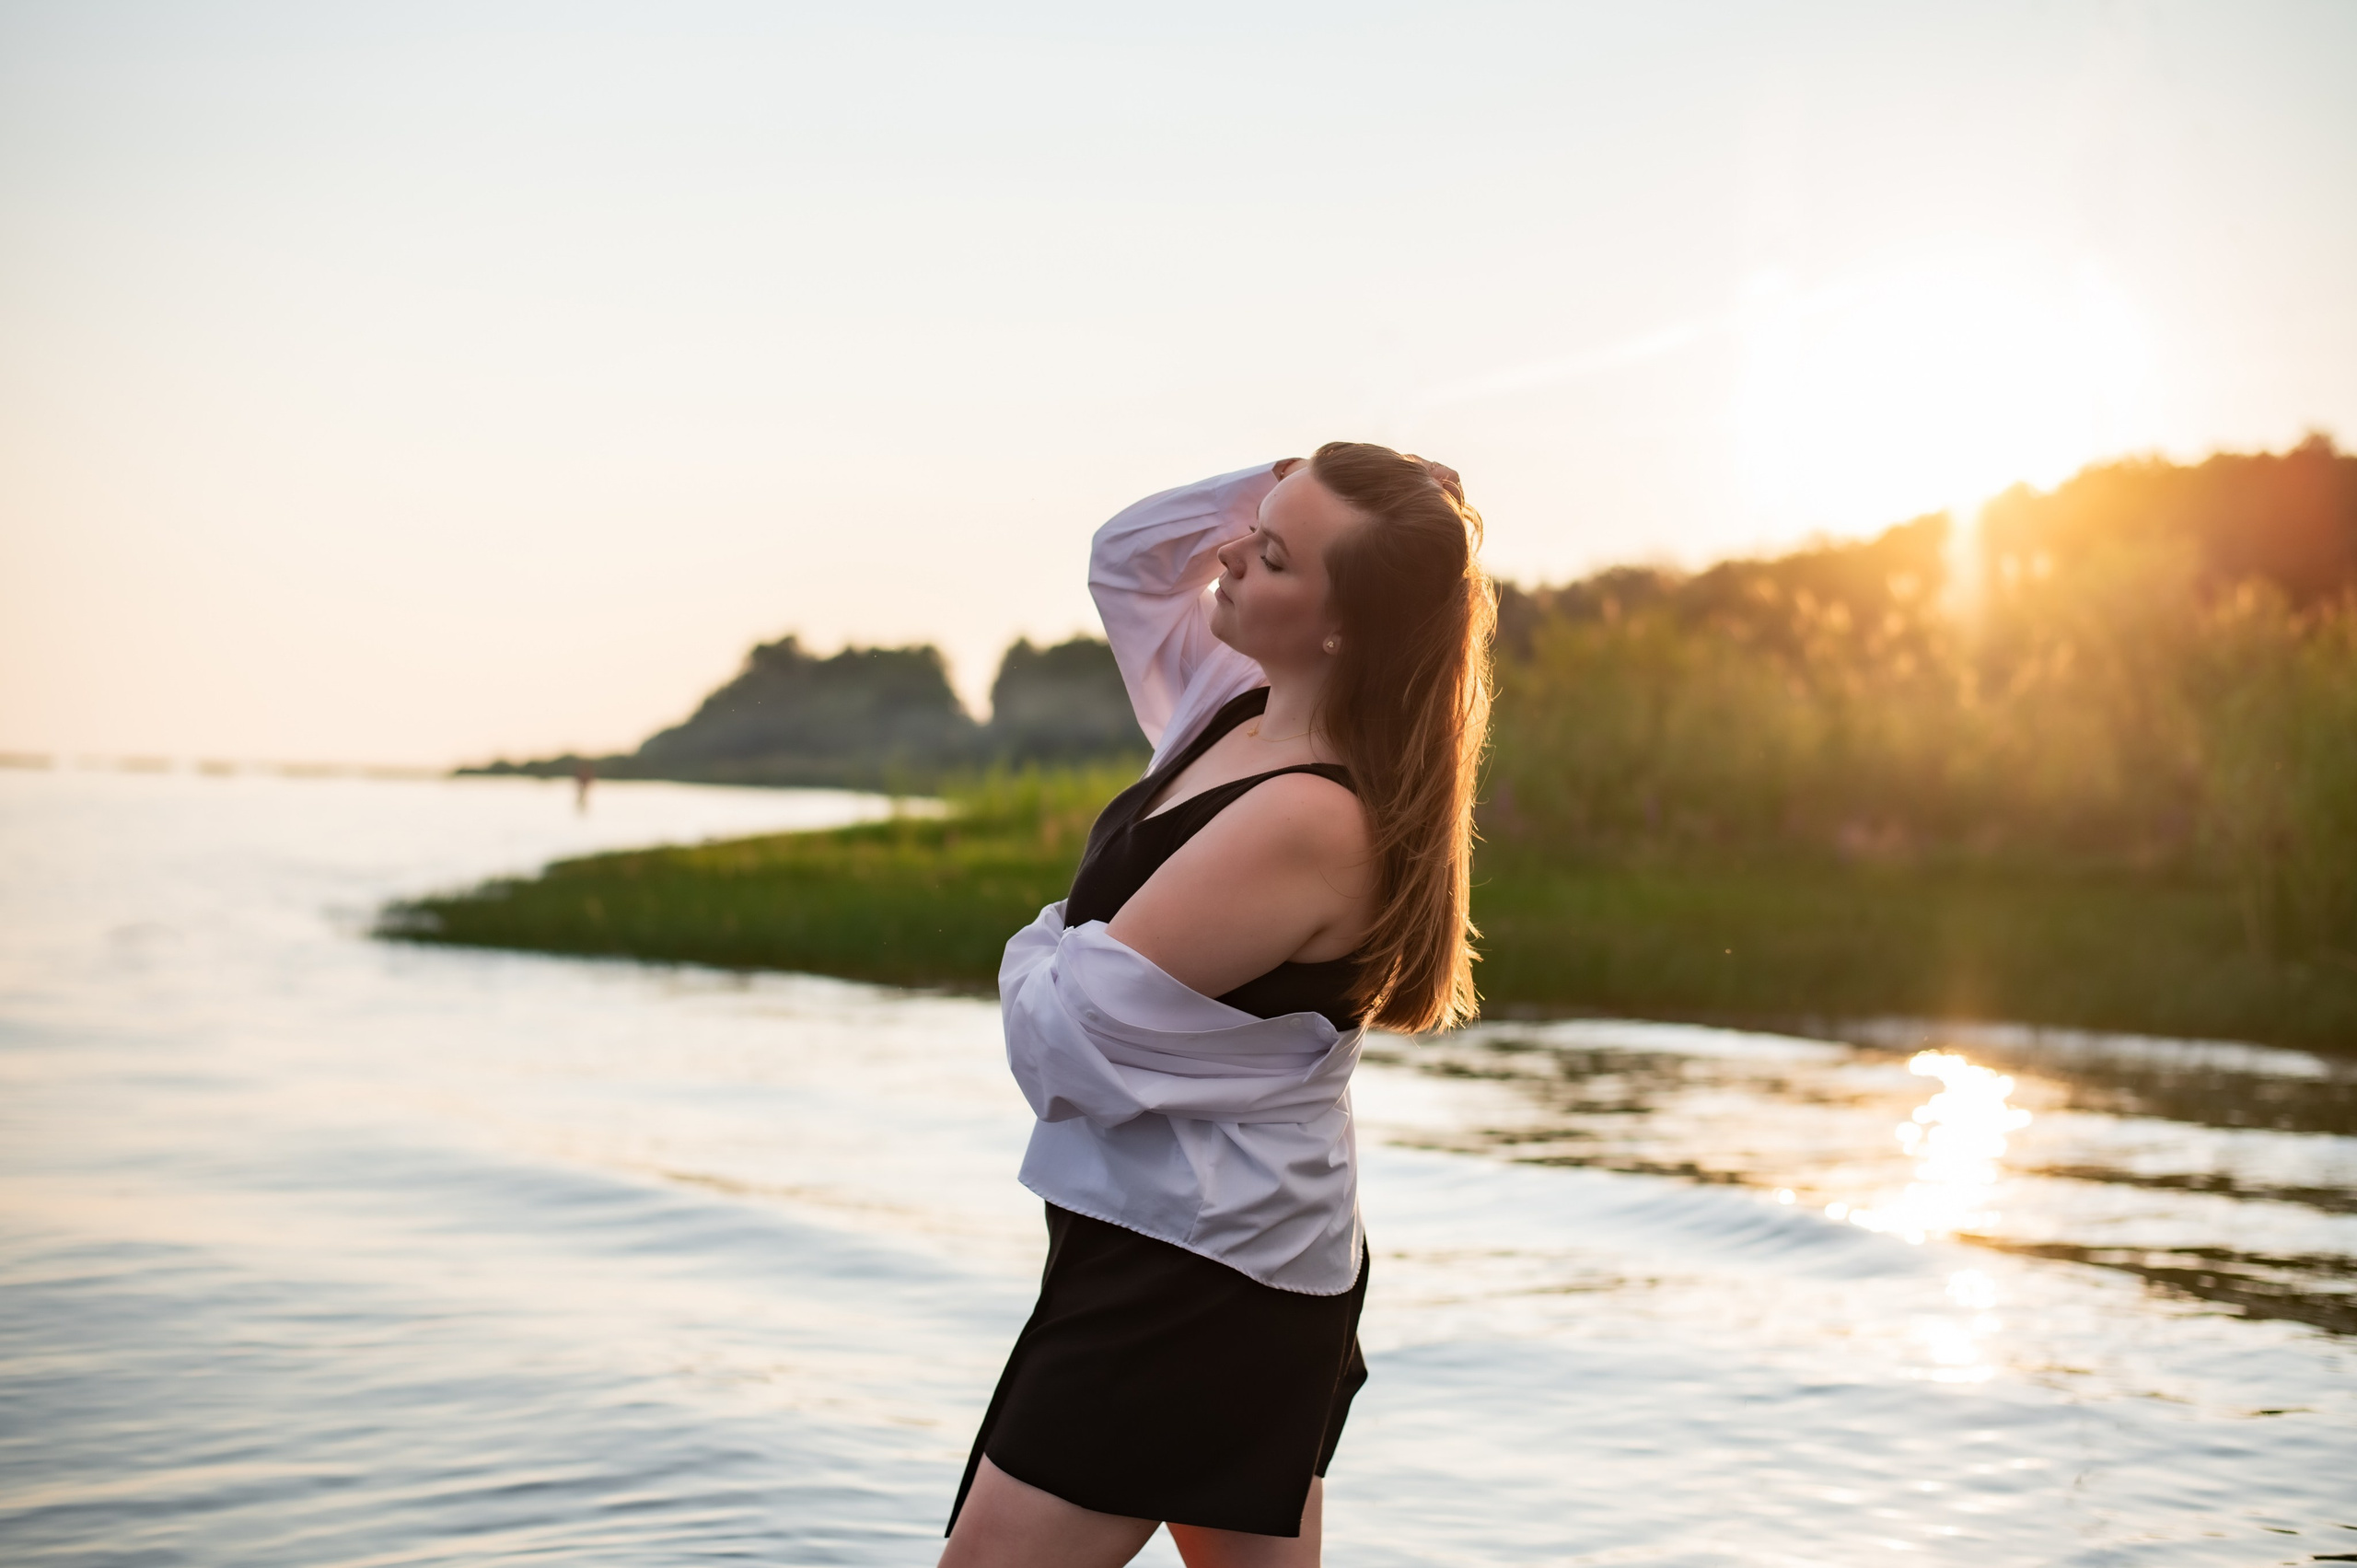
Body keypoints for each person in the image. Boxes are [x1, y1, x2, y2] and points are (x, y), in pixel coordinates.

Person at [940, 444, 1495, 1568]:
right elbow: (1130, 564)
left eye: (1274, 554)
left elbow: (1054, 1044)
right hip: (1200, 1242)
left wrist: (1053, 941)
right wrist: (1282, 475)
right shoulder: (1230, 701)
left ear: (1345, 625)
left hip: (1197, 1277)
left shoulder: (1308, 818)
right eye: (1250, 527)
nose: (1230, 554)